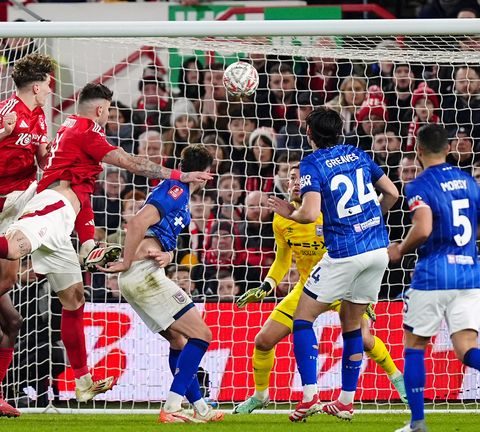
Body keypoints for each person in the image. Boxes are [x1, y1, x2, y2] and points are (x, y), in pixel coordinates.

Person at [0, 83, 212, 403]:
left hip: (68, 209)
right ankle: (180, 402)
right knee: (16, 247)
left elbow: (81, 190)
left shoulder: (69, 128)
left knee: (74, 298)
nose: (111, 115)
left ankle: (83, 381)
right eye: (110, 110)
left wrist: (88, 241)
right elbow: (130, 163)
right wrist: (178, 175)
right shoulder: (87, 130)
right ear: (101, 110)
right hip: (53, 203)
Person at [234, 164, 406, 415]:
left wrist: (363, 292)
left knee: (365, 339)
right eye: (290, 178)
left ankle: (397, 377)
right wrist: (267, 285)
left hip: (344, 285)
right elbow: (283, 258)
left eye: (299, 178)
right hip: (308, 288)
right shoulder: (282, 216)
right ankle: (260, 395)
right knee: (263, 341)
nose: (293, 183)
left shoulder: (330, 209)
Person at [269, 107, 399, 422]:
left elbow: (310, 213)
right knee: (352, 324)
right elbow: (393, 193)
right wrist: (367, 220)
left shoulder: (312, 163)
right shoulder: (357, 153)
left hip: (345, 253)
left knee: (302, 319)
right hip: (377, 250)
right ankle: (345, 400)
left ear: (309, 133)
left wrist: (289, 211)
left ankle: (310, 396)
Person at [99, 145, 223, 424]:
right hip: (142, 273)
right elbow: (136, 224)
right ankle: (172, 406)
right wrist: (127, 261)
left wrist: (167, 255)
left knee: (178, 341)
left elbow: (157, 234)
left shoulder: (179, 194)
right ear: (202, 175)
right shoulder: (175, 190)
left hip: (146, 273)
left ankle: (200, 407)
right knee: (202, 336)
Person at [388, 124, 480, 432]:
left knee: (414, 345)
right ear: (449, 148)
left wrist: (400, 248)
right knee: (467, 349)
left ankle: (417, 423)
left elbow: (424, 228)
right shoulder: (469, 182)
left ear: (418, 150)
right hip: (469, 273)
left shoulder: (419, 185)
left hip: (434, 275)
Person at [0, 53, 54, 417]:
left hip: (16, 209)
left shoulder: (38, 117)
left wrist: (42, 154)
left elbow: (38, 160)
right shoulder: (6, 111)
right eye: (49, 84)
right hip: (3, 203)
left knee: (12, 320)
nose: (52, 89)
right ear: (37, 86)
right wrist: (3, 132)